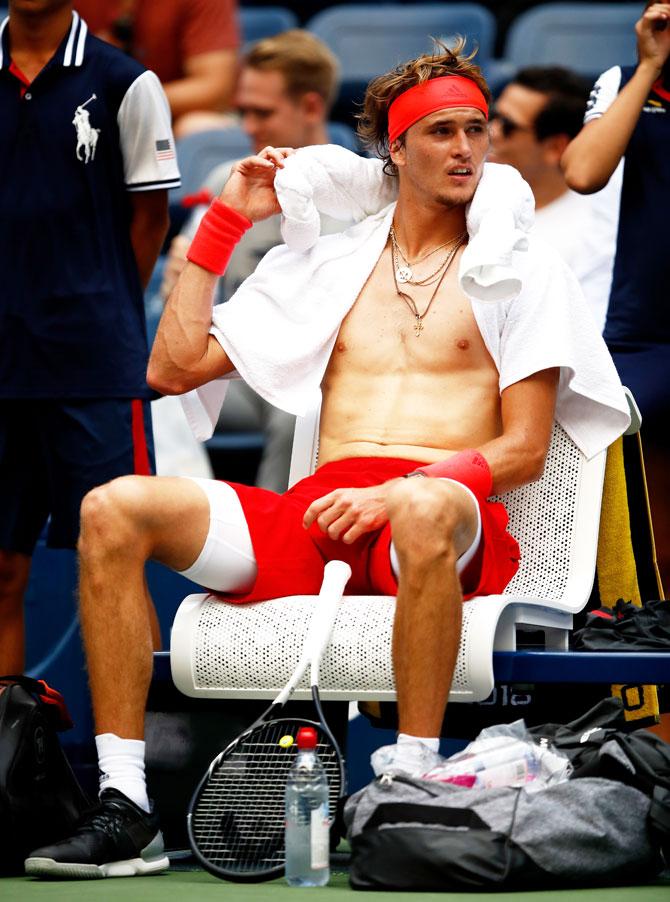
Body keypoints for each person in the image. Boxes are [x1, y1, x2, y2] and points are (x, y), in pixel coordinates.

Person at [24, 40, 629, 879]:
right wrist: (227, 219)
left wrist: (402, 492)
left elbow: (524, 448)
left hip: (435, 515)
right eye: (442, 132)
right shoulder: (330, 263)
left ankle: (412, 783)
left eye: (478, 131)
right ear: (393, 146)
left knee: (419, 510)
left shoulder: (520, 270)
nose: (464, 150)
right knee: (112, 507)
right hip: (317, 514)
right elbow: (170, 367)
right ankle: (125, 804)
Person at [0, 0, 179, 676]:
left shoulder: (126, 82)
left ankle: (124, 772)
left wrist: (93, 309)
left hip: (94, 367)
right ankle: (8, 765)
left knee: (119, 559)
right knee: (2, 571)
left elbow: (149, 219)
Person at [161, 29, 342, 492]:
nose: (247, 126)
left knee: (301, 412)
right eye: (243, 110)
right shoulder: (230, 180)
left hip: (320, 373)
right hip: (233, 367)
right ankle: (180, 543)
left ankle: (272, 548)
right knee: (154, 400)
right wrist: (182, 280)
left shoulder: (355, 194)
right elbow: (180, 315)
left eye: (263, 112)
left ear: (311, 108)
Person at [561, 1, 670, 595]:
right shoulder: (626, 82)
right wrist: (649, 68)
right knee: (649, 549)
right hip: (644, 332)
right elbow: (581, 171)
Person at [488, 66, 621, 332]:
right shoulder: (463, 196)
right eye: (492, 116)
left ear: (555, 148)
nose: (491, 131)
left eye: (508, 125)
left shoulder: (594, 237)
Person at [73, 0, 240, 137]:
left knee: (197, 127)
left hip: (168, 120)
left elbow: (215, 90)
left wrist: (126, 100)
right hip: (91, 110)